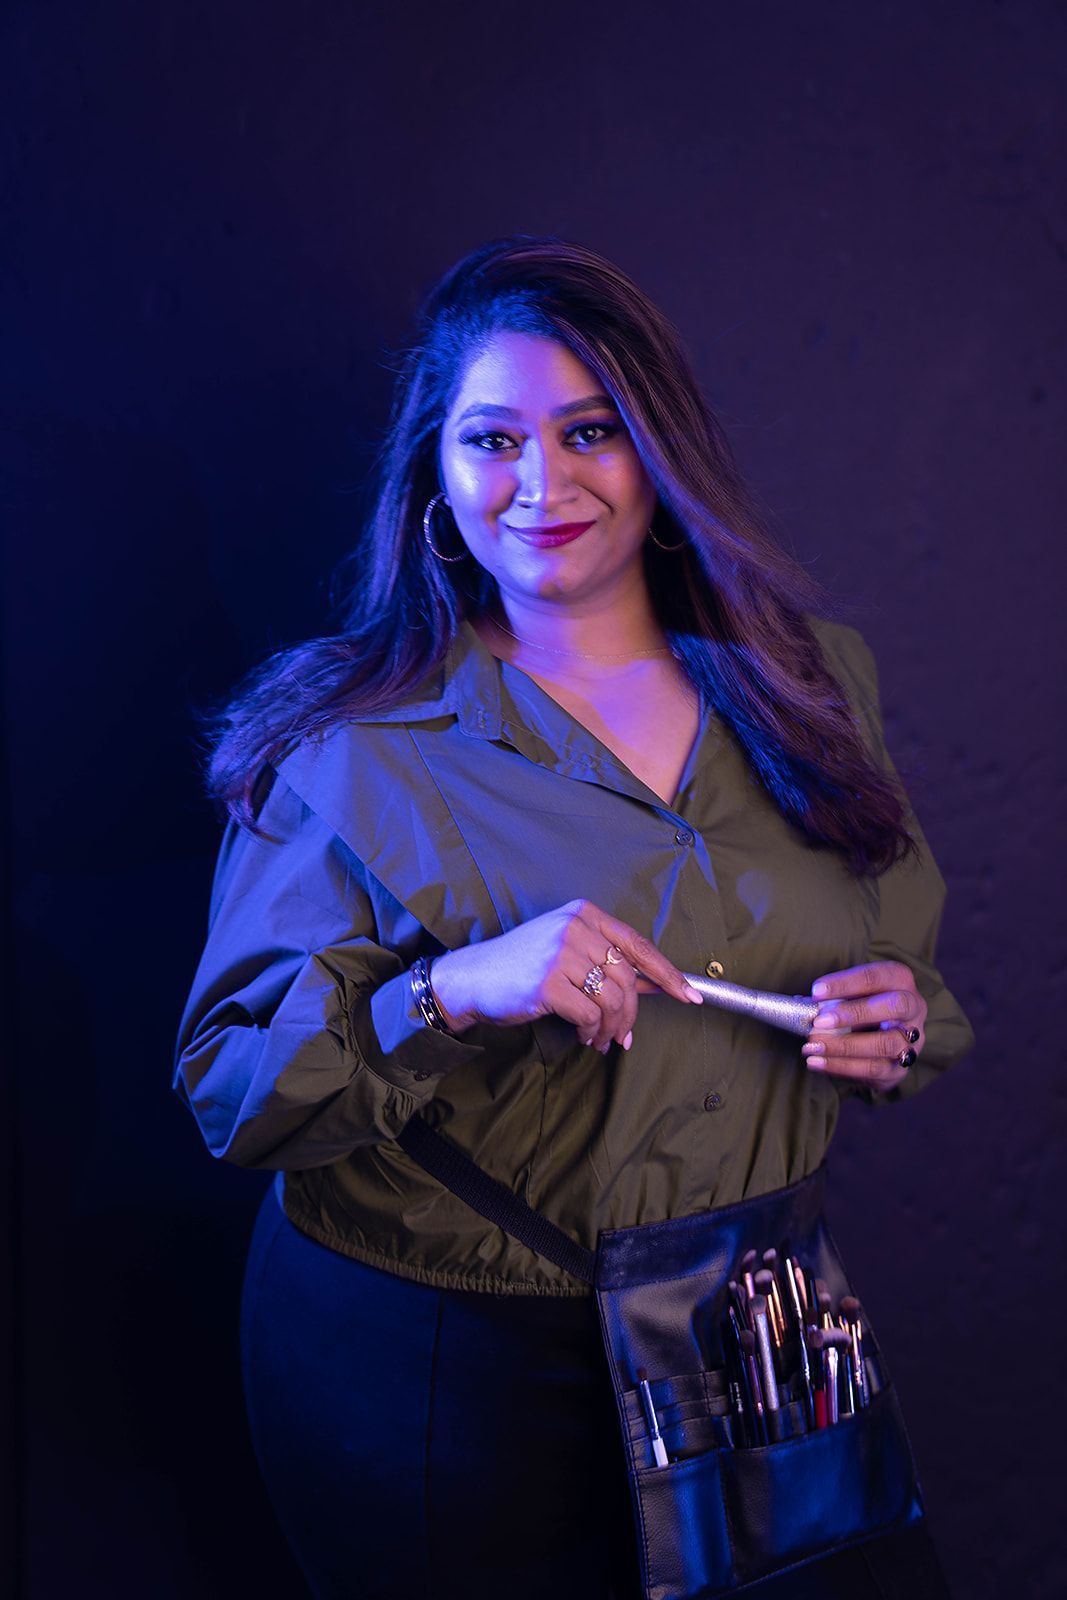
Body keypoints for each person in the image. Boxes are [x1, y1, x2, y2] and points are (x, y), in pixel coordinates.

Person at [175, 236, 973, 1600]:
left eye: (589, 431)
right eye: (493, 440)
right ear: (435, 476)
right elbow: (232, 1093)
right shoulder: (342, 743)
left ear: (658, 452)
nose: (542, 485)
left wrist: (894, 1022)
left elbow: (905, 969)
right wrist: (452, 992)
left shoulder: (809, 685)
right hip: (453, 1371)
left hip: (752, 1327)